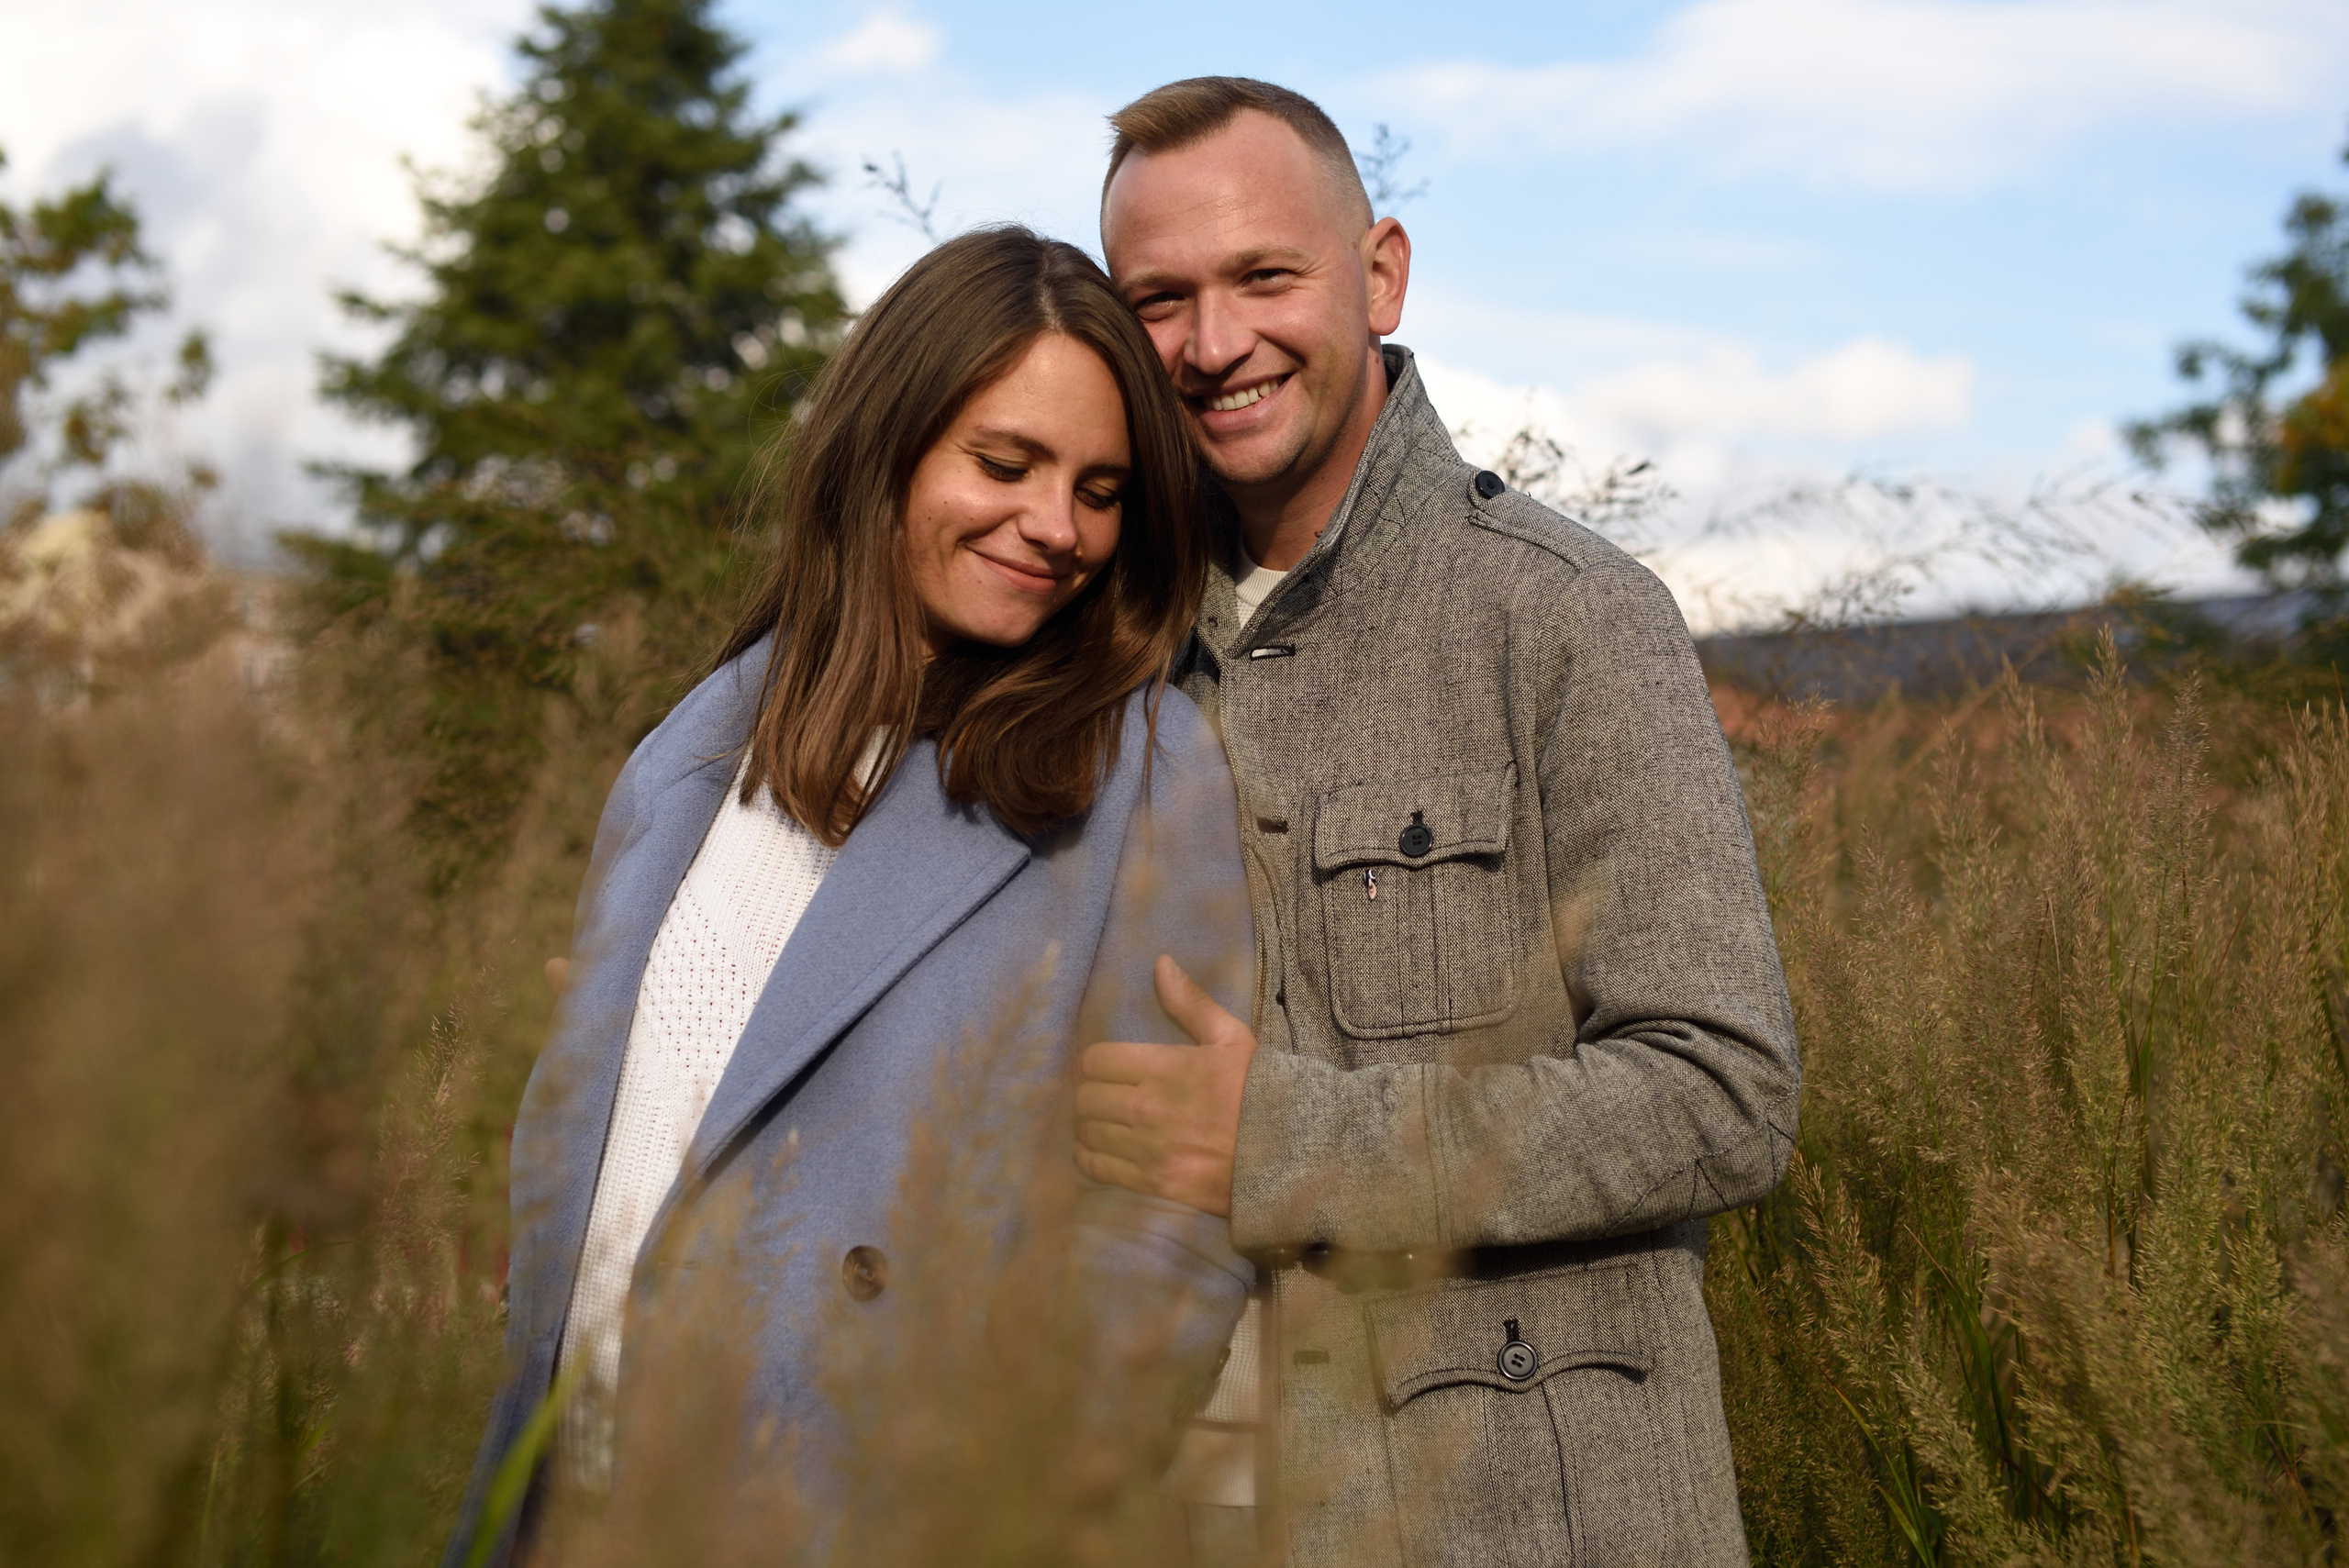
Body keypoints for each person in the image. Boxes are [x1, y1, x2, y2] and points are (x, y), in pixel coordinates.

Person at [445, 226, 1255, 1568]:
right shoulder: (695, 746)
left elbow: (1162, 1234)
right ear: (885, 449)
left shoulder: (1143, 774)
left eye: (1100, 490)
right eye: (1004, 464)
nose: (1056, 528)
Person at [1075, 78, 1803, 1567]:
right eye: (1161, 299)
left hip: (1513, 1520)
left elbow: (1721, 1092)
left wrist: (1284, 1139)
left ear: (1380, 271)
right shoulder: (1103, 642)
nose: (1215, 345)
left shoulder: (1571, 616)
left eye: (1264, 276)